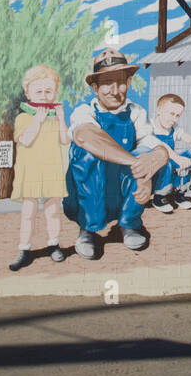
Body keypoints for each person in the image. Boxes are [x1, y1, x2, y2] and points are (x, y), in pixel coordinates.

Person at [62, 48, 169, 258]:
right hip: (88, 196)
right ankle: (88, 229)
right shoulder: (84, 112)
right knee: (84, 152)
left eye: (120, 82)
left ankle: (129, 223)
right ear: (95, 88)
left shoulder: (136, 112)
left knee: (153, 154)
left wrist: (150, 163)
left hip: (121, 191)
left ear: (128, 83)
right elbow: (87, 136)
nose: (114, 90)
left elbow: (154, 145)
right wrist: (136, 164)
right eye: (106, 83)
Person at [9, 64, 69, 271]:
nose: (44, 96)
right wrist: (38, 120)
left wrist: (61, 119)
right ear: (28, 93)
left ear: (55, 92)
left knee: (53, 211)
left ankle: (53, 244)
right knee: (29, 212)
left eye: (48, 91)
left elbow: (64, 139)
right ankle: (24, 249)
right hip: (31, 170)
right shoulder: (23, 117)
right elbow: (24, 140)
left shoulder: (54, 118)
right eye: (38, 91)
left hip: (52, 169)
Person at [150, 94, 191, 212]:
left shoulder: (173, 129)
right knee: (166, 161)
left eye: (178, 115)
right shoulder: (149, 126)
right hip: (153, 169)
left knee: (190, 152)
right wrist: (177, 158)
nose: (174, 119)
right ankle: (159, 196)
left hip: (170, 161)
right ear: (159, 111)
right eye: (171, 114)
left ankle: (180, 192)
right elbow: (161, 146)